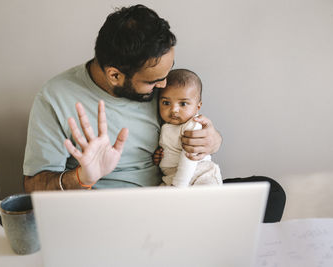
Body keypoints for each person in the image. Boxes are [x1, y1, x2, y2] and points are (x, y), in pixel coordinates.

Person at [23, 4, 285, 222]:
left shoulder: (163, 84)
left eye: (165, 75)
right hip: (111, 212)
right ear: (115, 75)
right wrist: (80, 177)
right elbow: (32, 186)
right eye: (153, 82)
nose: (163, 86)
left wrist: (213, 139)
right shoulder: (55, 97)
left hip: (172, 194)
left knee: (270, 193)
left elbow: (188, 125)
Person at [156, 69, 222, 187]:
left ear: (198, 106)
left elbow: (189, 158)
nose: (174, 110)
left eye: (183, 104)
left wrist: (178, 185)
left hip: (199, 173)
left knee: (208, 199)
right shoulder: (165, 125)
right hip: (171, 176)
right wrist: (159, 158)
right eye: (166, 103)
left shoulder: (193, 125)